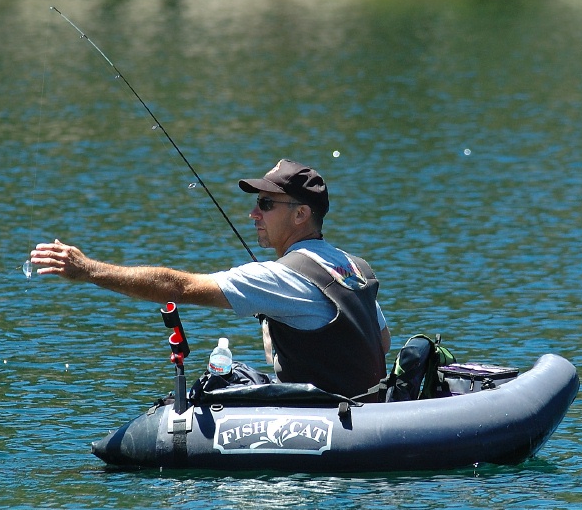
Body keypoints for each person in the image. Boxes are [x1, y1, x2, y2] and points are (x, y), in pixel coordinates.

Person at [29, 159, 391, 400]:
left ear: (300, 213)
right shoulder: (354, 268)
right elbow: (382, 342)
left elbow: (178, 287)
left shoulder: (278, 277)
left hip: (328, 419)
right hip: (368, 410)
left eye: (266, 204)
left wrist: (89, 269)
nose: (253, 213)